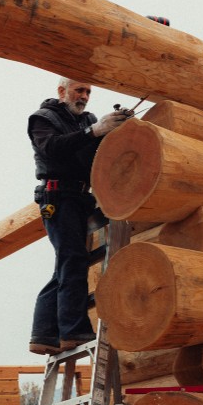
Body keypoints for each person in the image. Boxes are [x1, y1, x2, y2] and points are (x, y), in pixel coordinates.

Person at [28, 78, 129, 355]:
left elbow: (93, 154)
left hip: (80, 196)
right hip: (57, 196)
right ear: (62, 91)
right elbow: (52, 148)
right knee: (72, 259)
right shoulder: (42, 118)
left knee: (67, 261)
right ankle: (73, 331)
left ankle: (44, 334)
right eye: (79, 90)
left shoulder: (87, 119)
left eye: (88, 92)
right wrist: (94, 131)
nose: (84, 96)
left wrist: (115, 130)